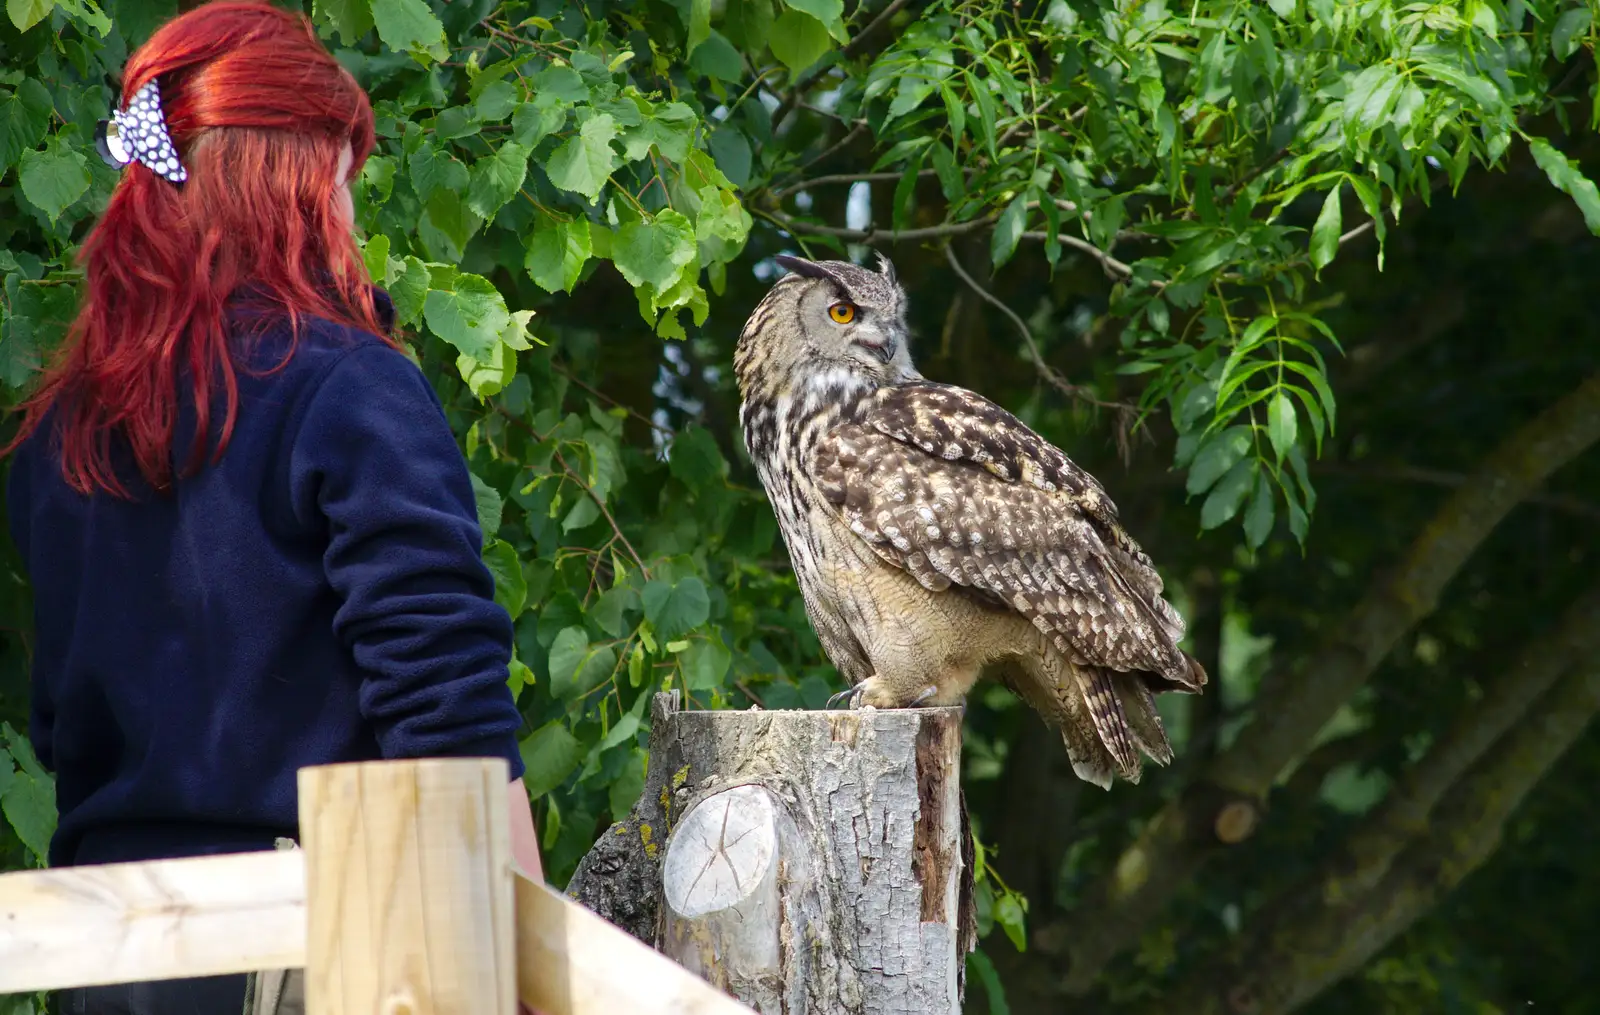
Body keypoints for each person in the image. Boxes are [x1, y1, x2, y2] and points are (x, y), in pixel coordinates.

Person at [2, 4, 543, 1012]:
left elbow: (63, 730)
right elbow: (447, 711)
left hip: (108, 965)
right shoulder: (346, 388)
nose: (349, 213)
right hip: (313, 954)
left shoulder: (59, 432)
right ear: (299, 178)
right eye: (345, 178)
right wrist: (527, 973)